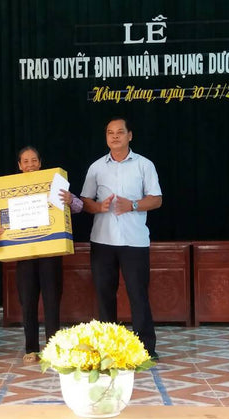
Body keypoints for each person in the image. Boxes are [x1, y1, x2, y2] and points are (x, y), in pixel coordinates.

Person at [0, 146, 83, 363]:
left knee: (51, 302)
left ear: (40, 163)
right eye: (25, 161)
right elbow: (3, 224)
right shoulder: (9, 189)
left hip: (50, 253)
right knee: (28, 302)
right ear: (19, 166)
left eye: (33, 160)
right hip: (25, 255)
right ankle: (31, 349)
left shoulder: (54, 183)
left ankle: (53, 350)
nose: (30, 164)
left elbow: (78, 207)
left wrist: (69, 199)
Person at [80, 117, 162, 360]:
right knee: (104, 295)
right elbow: (84, 201)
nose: (114, 136)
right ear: (106, 137)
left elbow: (156, 199)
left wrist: (134, 204)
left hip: (134, 241)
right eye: (110, 133)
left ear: (130, 136)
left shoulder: (144, 165)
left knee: (138, 294)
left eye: (119, 132)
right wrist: (99, 207)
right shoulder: (96, 167)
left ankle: (145, 348)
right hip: (103, 240)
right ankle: (108, 347)